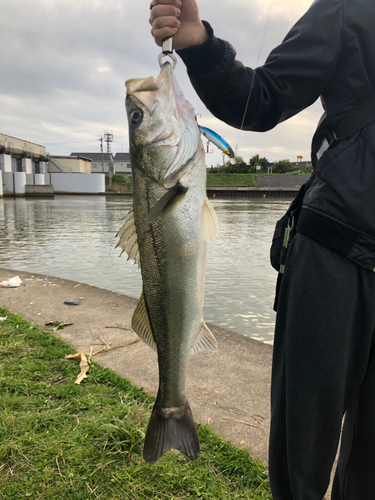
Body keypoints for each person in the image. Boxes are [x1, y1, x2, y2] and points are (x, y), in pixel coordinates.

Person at [150, 1, 375, 499]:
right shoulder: (350, 7)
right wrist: (199, 45)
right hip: (333, 253)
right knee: (303, 453)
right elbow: (262, 99)